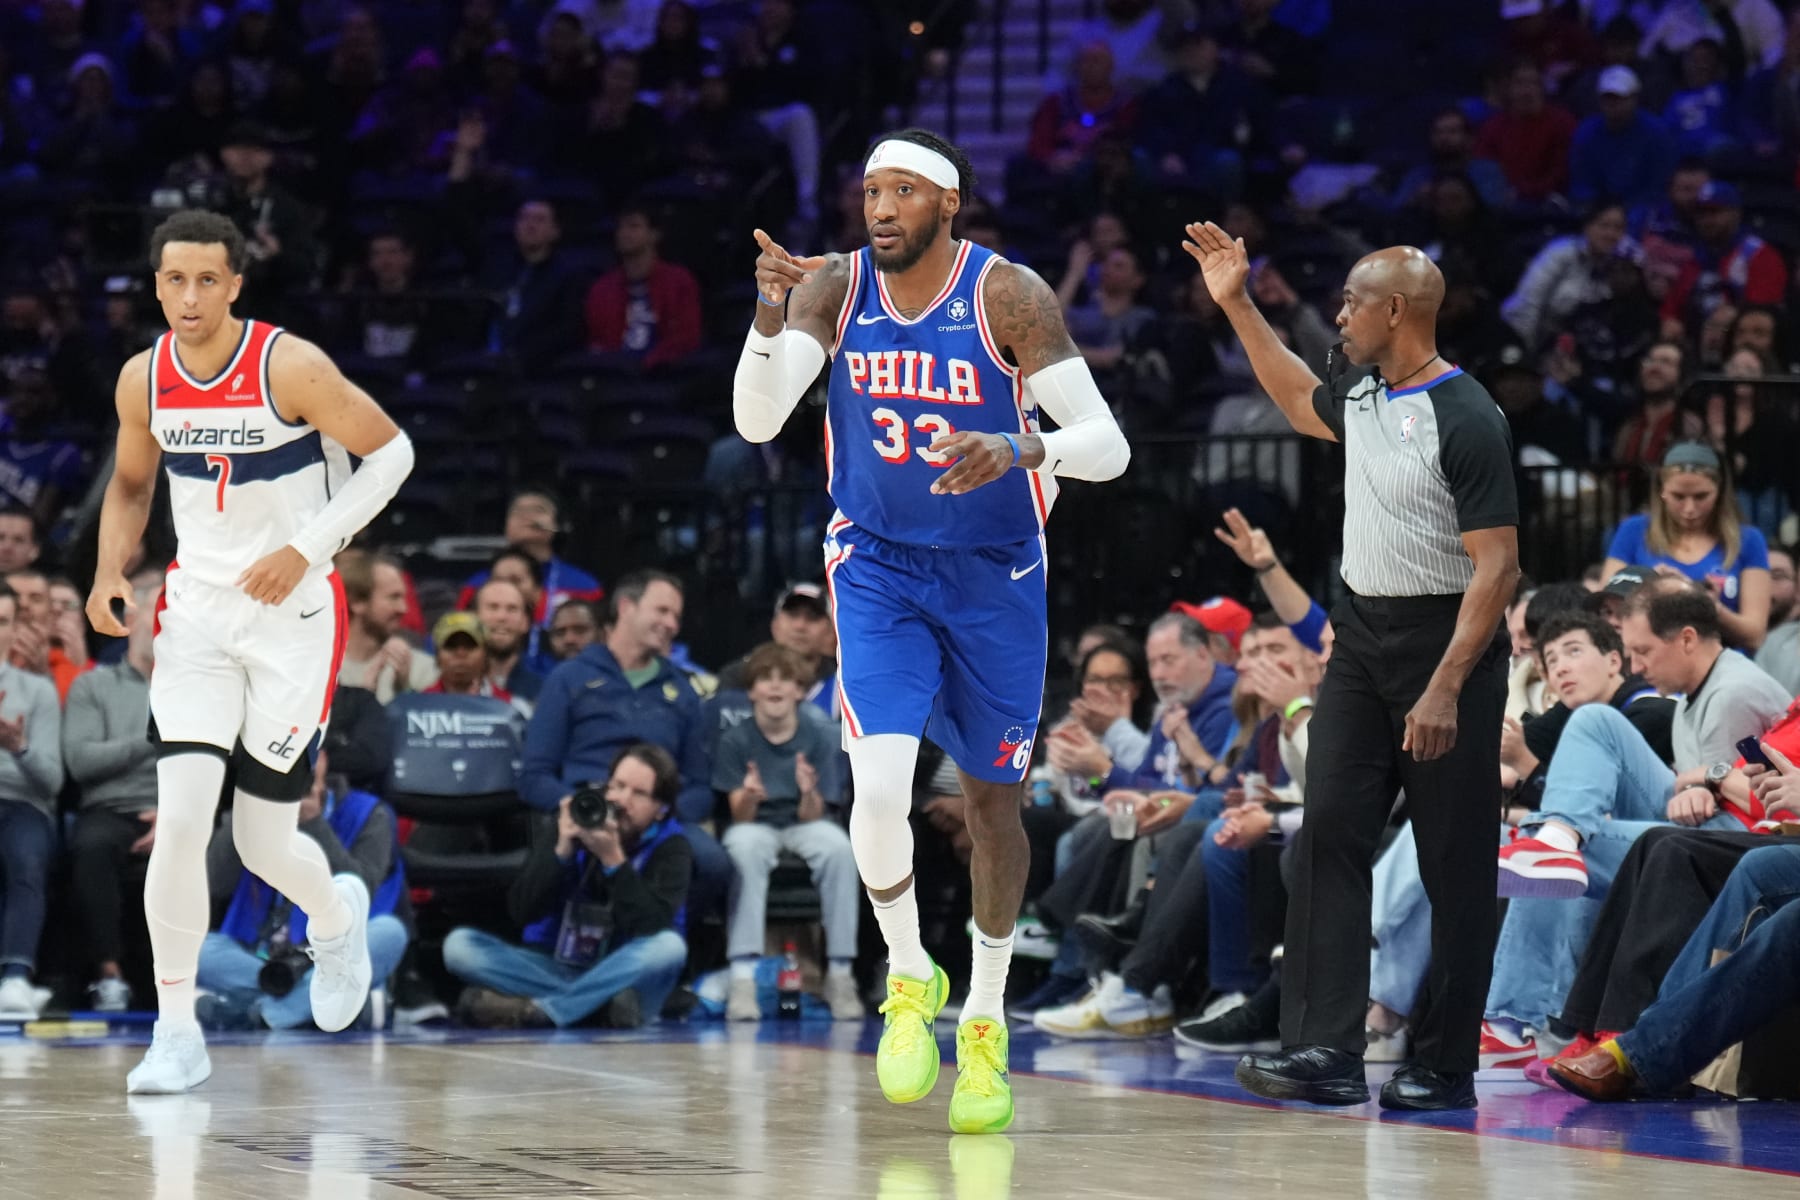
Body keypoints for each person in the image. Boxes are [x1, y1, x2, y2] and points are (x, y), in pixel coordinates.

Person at [733, 127, 1130, 1133]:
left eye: (903, 191)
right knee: (878, 779)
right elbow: (757, 418)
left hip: (996, 573)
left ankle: (985, 1022)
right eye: (872, 190)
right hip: (877, 564)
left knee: (993, 806)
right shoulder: (836, 286)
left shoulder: (1010, 296)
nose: (881, 208)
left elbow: (1111, 448)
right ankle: (910, 975)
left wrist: (1021, 444)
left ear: (949, 203)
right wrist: (769, 312)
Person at [1183, 221, 1519, 1111]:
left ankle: (1445, 1064)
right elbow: (1298, 399)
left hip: (1450, 645)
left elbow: (1499, 567)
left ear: (1397, 309)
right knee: (1329, 831)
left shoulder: (1469, 414)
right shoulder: (1362, 391)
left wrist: (1447, 684)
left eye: (1351, 302)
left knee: (1453, 862)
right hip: (1362, 641)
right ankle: (1323, 1051)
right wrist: (1238, 304)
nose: (1339, 314)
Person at [83, 209, 415, 1094]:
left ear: (235, 284)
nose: (188, 297)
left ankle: (335, 921)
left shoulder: (288, 365)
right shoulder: (142, 378)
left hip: (294, 618)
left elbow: (392, 454)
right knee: (184, 823)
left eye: (206, 280)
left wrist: (306, 548)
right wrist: (110, 570)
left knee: (267, 841)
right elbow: (129, 483)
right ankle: (177, 1030)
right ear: (156, 285)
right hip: (194, 615)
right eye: (173, 280)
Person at [442, 743, 691, 1029]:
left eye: (638, 793)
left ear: (660, 810)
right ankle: (596, 1010)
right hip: (562, 967)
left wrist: (614, 861)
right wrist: (560, 851)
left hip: (623, 973)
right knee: (459, 947)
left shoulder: (672, 847)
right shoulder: (579, 817)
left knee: (669, 947)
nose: (622, 800)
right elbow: (521, 911)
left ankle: (542, 1011)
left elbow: (650, 926)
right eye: (618, 786)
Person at [1600, 441, 1771, 650]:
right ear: (1661, 491)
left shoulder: (1748, 540)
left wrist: (1708, 607)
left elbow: (1755, 634)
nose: (1689, 508)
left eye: (1701, 496)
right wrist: (1650, 587)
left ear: (1719, 492)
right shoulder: (1633, 530)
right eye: (1678, 497)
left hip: (1723, 663)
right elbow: (1605, 609)